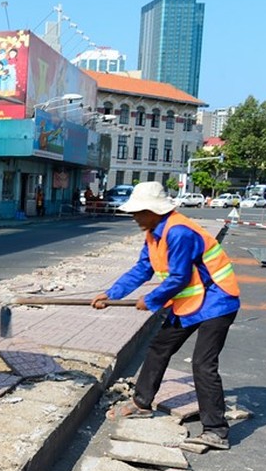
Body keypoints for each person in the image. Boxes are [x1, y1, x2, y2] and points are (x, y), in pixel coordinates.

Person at [92, 181, 240, 450]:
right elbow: (142, 269)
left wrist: (150, 300)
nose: (135, 217)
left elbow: (180, 277)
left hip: (218, 301)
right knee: (159, 347)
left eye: (138, 212)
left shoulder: (180, 232)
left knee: (203, 364)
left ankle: (216, 430)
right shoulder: (153, 233)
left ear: (154, 210)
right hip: (190, 303)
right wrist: (111, 294)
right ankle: (142, 402)